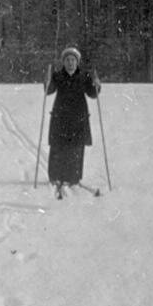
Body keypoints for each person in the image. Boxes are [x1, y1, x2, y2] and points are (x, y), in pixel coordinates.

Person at [46, 47, 101, 196]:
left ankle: (73, 177)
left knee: (76, 148)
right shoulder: (58, 76)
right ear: (63, 62)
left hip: (78, 118)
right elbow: (49, 91)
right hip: (61, 117)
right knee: (59, 147)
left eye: (73, 60)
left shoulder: (84, 76)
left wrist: (96, 85)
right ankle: (55, 176)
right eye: (67, 60)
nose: (70, 63)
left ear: (77, 62)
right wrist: (47, 81)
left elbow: (92, 93)